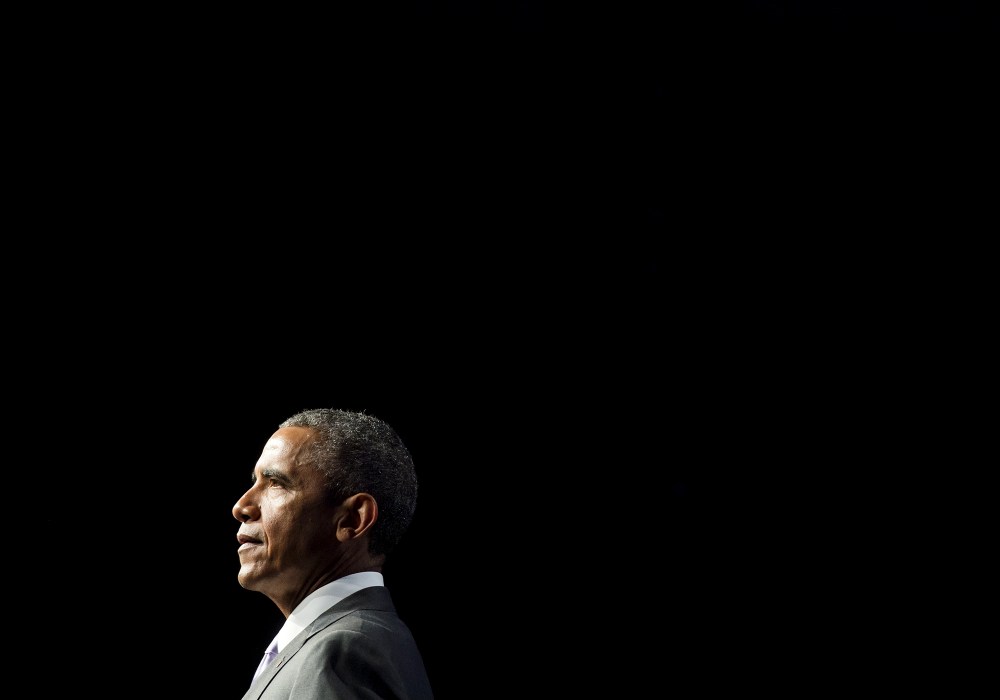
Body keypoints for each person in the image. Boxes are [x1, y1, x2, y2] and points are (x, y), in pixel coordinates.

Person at [233, 407, 434, 700]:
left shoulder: (344, 653)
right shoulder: (350, 642)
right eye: (254, 481)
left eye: (276, 483)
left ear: (353, 519)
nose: (241, 506)